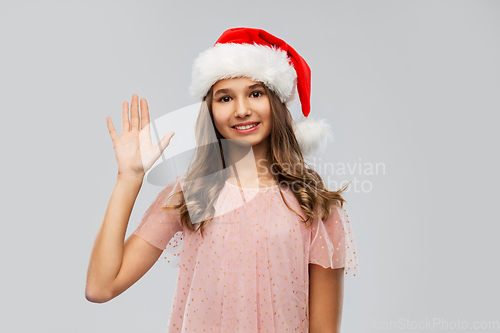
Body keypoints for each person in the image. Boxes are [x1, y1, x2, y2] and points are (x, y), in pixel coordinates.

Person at [86, 27, 359, 333]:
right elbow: (101, 287)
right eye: (225, 98)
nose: (242, 110)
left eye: (256, 93)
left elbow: (324, 329)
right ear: (211, 111)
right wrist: (129, 178)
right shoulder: (189, 195)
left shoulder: (313, 205)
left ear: (277, 103)